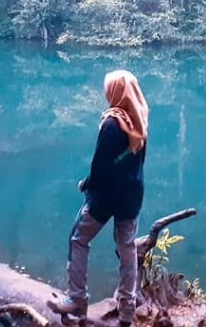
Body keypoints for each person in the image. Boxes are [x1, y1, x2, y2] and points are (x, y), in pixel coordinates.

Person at [48, 69, 149, 326]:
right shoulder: (139, 121)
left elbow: (100, 168)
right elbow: (135, 164)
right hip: (131, 197)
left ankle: (77, 299)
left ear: (114, 92)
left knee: (78, 239)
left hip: (105, 199)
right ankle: (127, 310)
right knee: (127, 249)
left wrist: (86, 184)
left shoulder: (111, 123)